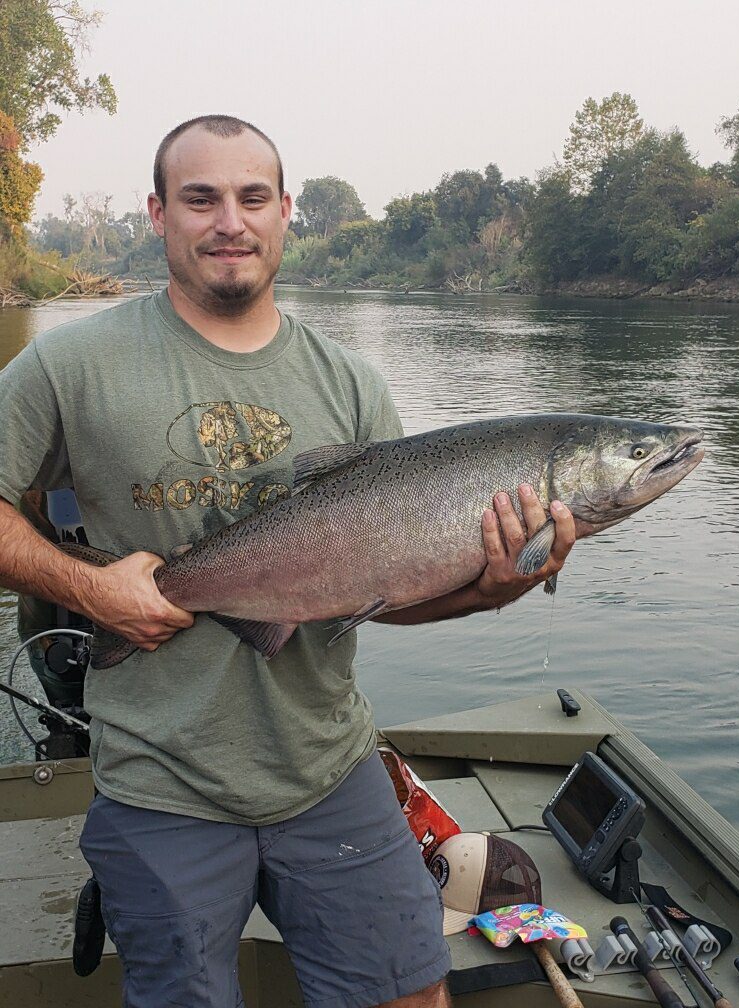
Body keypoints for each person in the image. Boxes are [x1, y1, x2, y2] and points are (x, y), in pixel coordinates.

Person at [0, 116, 575, 1008]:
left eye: (252, 197)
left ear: (285, 212)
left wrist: (491, 591)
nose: (229, 221)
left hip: (328, 769)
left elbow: (383, 596)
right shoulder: (71, 364)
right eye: (201, 198)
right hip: (159, 783)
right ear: (157, 213)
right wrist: (91, 590)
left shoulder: (352, 383)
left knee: (413, 996)